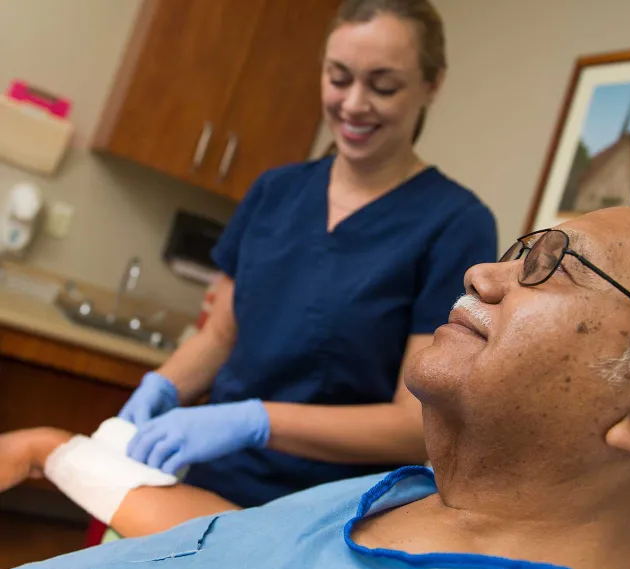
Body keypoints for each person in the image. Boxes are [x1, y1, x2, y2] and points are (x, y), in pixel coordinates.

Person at [1, 198, 630, 569]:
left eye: (555, 263)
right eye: (520, 249)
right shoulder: (427, 501)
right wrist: (53, 451)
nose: (484, 275)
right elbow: (244, 544)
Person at [116, 0, 498, 508]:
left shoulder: (455, 225)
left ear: (432, 85)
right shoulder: (274, 190)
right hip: (203, 479)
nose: (354, 104)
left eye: (383, 86)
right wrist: (163, 385)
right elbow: (219, 336)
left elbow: (413, 425)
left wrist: (257, 422)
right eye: (339, 78)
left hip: (320, 512)